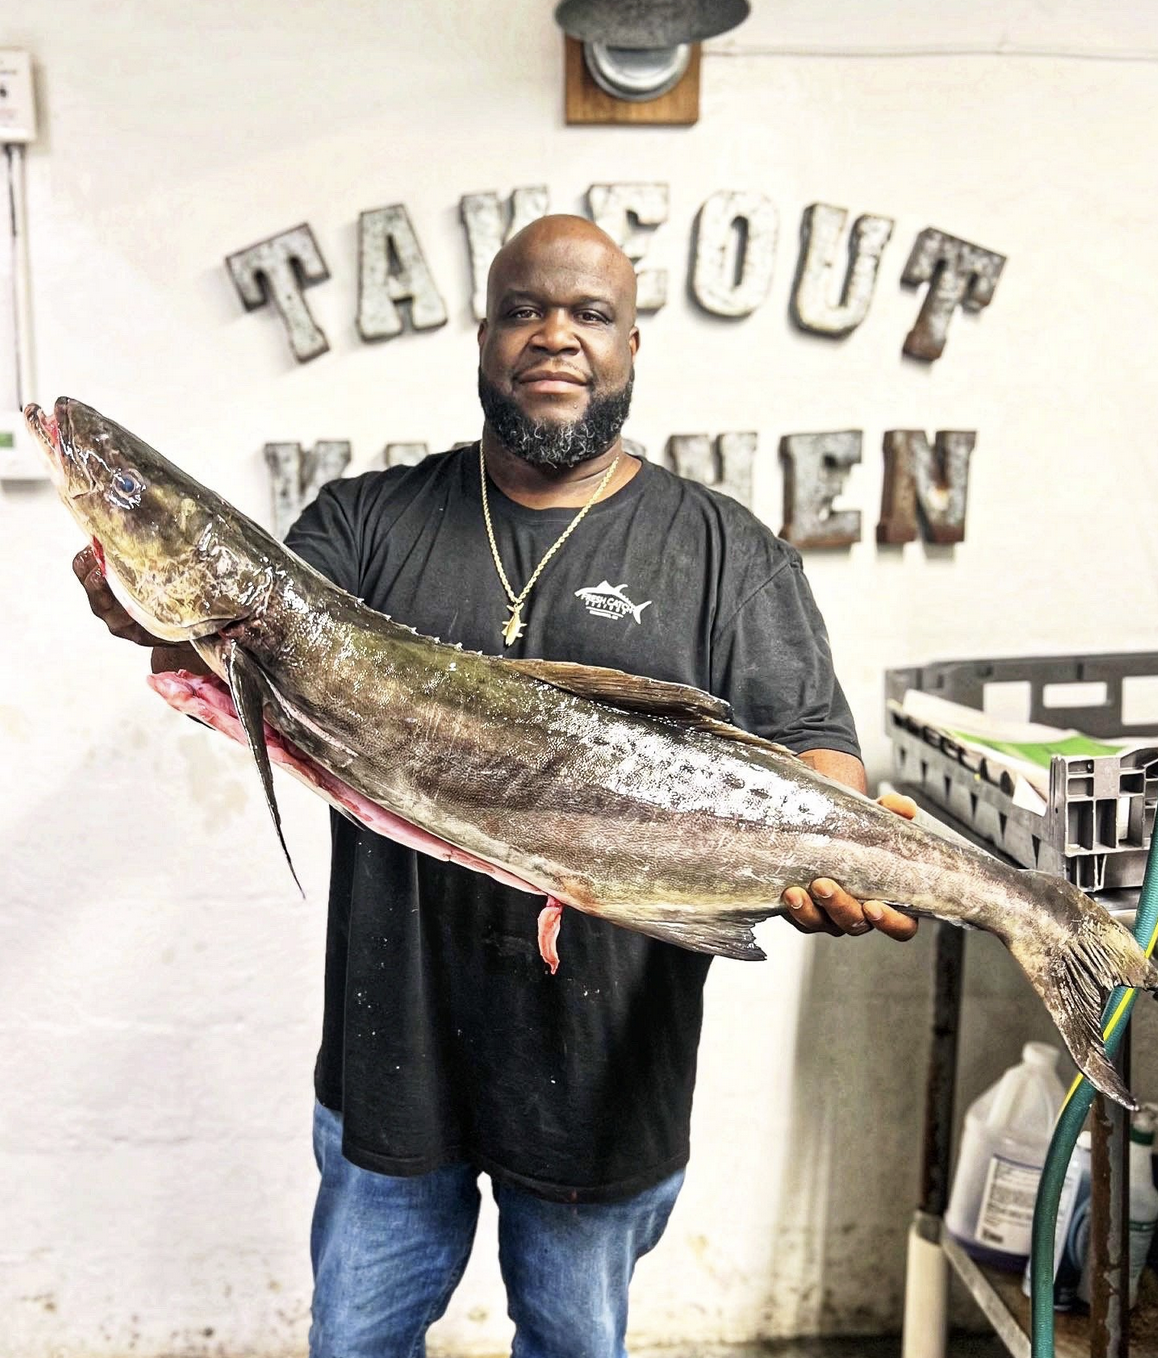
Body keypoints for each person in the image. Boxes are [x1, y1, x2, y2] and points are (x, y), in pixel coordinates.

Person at [73, 215, 917, 1358]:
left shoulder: (723, 548)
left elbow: (815, 744)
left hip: (603, 1075)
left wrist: (839, 846)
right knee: (357, 1340)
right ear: (483, 336)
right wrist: (147, 614)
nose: (555, 336)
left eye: (590, 314)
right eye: (525, 309)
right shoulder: (362, 524)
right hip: (392, 1061)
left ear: (630, 346)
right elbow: (242, 649)